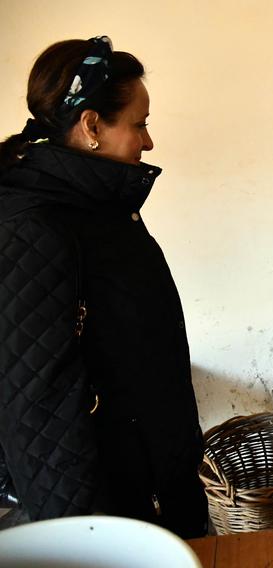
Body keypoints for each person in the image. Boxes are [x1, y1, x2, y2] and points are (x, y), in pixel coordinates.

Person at [0, 36, 207, 538]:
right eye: (139, 124)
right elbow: (39, 406)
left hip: (149, 476)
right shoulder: (36, 226)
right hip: (111, 511)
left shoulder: (96, 204)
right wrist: (86, 540)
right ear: (92, 125)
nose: (148, 141)